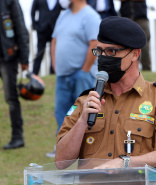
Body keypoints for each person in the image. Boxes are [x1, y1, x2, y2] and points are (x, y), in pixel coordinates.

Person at [55, 16, 156, 169]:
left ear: (135, 54)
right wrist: (81, 122)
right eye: (99, 51)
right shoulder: (86, 101)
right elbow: (60, 161)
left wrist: (124, 162)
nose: (104, 57)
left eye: (111, 51)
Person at [46, 0, 101, 158]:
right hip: (63, 75)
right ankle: (61, 147)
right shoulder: (63, 15)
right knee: (61, 113)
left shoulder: (90, 16)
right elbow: (54, 40)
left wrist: (84, 70)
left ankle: (86, 148)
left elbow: (94, 43)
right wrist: (56, 66)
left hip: (81, 75)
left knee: (83, 111)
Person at [0, 0, 29, 149]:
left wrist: (24, 57)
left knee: (11, 97)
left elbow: (20, 27)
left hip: (8, 57)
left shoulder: (10, 2)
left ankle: (17, 137)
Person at [31, 0, 62, 75]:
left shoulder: (61, 1)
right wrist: (35, 25)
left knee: (53, 53)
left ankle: (53, 73)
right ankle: (34, 74)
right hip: (42, 30)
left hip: (55, 30)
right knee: (39, 53)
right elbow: (33, 11)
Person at [119, 0, 151, 71]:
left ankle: (146, 68)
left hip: (141, 18)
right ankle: (127, 68)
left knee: (145, 44)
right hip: (126, 17)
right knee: (125, 44)